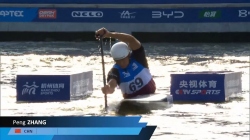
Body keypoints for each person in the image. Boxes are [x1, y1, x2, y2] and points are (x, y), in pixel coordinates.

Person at [95, 27, 156, 99]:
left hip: (151, 95)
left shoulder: (138, 57)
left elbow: (131, 40)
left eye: (123, 59)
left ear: (128, 55)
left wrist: (109, 34)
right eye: (117, 60)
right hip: (131, 102)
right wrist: (108, 89)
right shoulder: (115, 71)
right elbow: (112, 83)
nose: (121, 63)